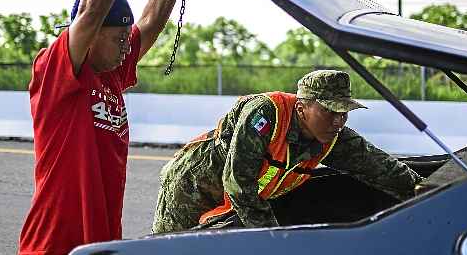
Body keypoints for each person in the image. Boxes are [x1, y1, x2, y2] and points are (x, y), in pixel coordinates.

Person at [18, 0, 189, 254]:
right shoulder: (56, 72)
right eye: (118, 40)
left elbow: (151, 21)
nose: (127, 49)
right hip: (53, 242)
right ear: (90, 35)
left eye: (127, 40)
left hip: (102, 238)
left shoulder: (113, 73)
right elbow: (94, 8)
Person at [152, 70, 424, 233]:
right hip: (193, 186)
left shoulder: (332, 135)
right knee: (170, 247)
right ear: (302, 108)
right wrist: (275, 239)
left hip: (235, 198)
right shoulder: (265, 114)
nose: (339, 120)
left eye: (344, 113)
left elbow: (378, 166)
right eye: (329, 110)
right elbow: (238, 183)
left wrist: (421, 188)